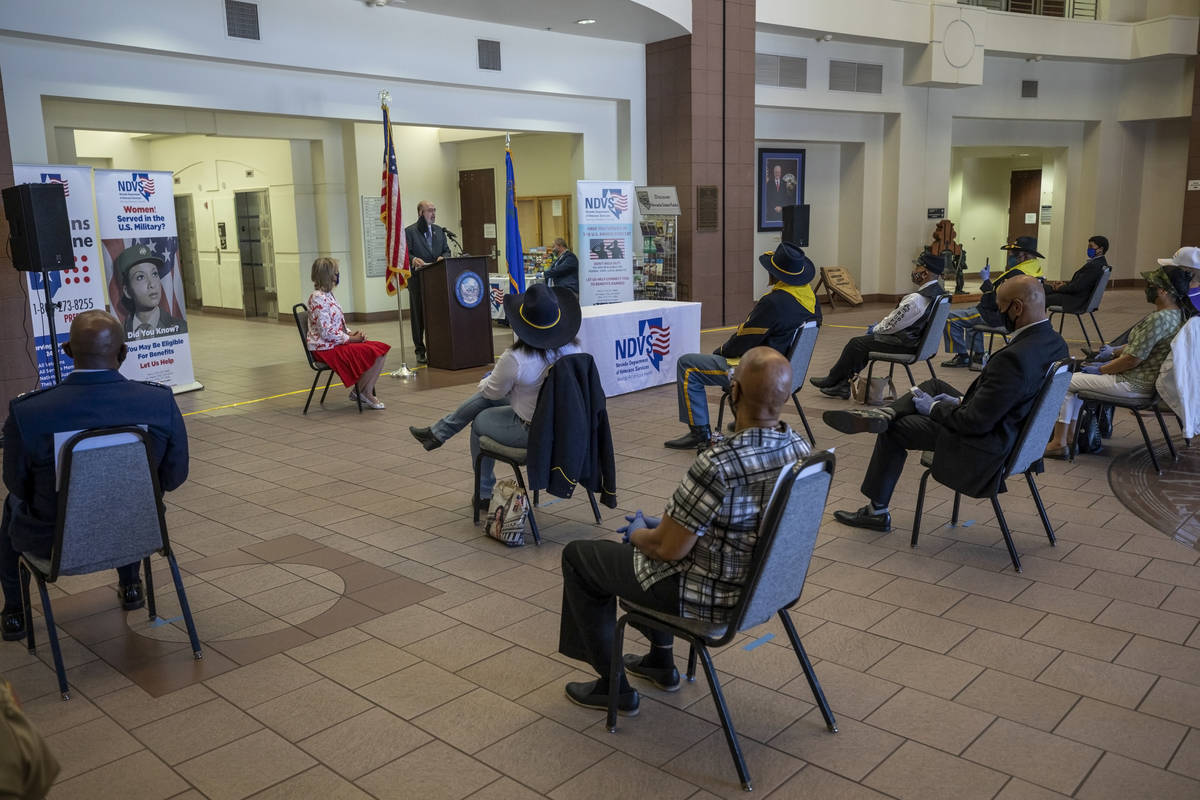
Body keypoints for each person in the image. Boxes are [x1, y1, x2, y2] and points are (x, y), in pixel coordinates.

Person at [558, 347, 810, 713]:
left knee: (580, 557)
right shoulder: (800, 450)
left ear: (734, 392)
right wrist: (661, 528)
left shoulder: (718, 463)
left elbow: (667, 550)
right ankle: (660, 662)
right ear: (785, 397)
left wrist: (639, 534)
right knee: (648, 546)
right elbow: (743, 523)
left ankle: (612, 687)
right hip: (766, 590)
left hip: (709, 597)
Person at [825, 276, 1067, 532]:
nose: (997, 313)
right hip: (1015, 434)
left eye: (1000, 307)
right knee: (934, 386)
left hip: (986, 445)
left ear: (1017, 307)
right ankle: (886, 412)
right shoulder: (1055, 343)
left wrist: (933, 409)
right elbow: (1012, 398)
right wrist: (960, 400)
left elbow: (974, 422)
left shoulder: (1014, 359)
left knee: (897, 429)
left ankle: (876, 510)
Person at [1, 311, 189, 641]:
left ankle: (15, 612)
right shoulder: (158, 402)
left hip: (54, 544)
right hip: (140, 534)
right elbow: (174, 477)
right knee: (126, 497)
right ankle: (131, 586)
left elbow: (18, 485)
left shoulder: (29, 413)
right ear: (123, 352)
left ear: (68, 352)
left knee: (10, 505)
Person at [408, 284, 581, 512]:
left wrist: (488, 378)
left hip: (534, 431)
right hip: (567, 428)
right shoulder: (574, 350)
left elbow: (491, 392)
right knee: (490, 401)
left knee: (480, 420)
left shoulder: (516, 358)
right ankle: (438, 433)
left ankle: (483, 491)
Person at [664, 242, 820, 450]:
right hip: (789, 373)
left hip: (760, 373)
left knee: (688, 365)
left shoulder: (773, 303)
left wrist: (719, 352)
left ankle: (699, 434)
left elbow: (741, 341)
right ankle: (748, 421)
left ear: (775, 275)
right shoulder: (812, 301)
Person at [1044, 265, 1194, 458]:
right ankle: (1070, 438)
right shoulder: (1178, 315)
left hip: (1132, 384)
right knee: (1075, 380)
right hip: (1147, 384)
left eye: (1152, 284)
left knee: (1066, 382)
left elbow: (1132, 360)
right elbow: (1144, 346)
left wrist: (1102, 369)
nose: (1147, 287)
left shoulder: (1158, 319)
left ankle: (1059, 443)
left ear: (1164, 290)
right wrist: (1115, 351)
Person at [809, 251, 946, 398]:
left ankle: (834, 380)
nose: (913, 271)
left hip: (907, 344)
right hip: (921, 344)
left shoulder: (917, 299)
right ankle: (841, 385)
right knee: (862, 345)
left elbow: (893, 324)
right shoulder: (940, 293)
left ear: (925, 273)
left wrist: (875, 329)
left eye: (917, 267)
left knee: (857, 344)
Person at [942, 236, 1044, 369]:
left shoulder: (1017, 275)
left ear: (1023, 256)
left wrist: (985, 281)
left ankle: (962, 356)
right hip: (1014, 317)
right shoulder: (1035, 272)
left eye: (1013, 254)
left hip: (995, 316)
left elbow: (995, 300)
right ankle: (978, 355)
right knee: (972, 320)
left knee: (949, 319)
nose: (1010, 257)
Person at [306, 257, 390, 410]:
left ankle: (363, 391)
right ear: (328, 275)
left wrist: (351, 333)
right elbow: (326, 332)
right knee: (374, 352)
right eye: (335, 273)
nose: (337, 276)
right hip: (325, 349)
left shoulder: (328, 294)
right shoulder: (317, 297)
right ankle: (364, 392)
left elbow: (337, 324)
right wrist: (351, 340)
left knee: (381, 349)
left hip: (335, 343)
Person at [404, 200, 451, 365]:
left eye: (434, 210)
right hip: (418, 280)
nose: (433, 213)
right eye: (429, 210)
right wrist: (413, 259)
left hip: (437, 281)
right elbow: (404, 254)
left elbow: (447, 250)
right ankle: (420, 350)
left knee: (437, 315)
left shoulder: (439, 231)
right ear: (420, 213)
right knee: (418, 317)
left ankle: (437, 347)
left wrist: (443, 257)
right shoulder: (410, 232)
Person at [113, 243, 187, 338]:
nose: (152, 284)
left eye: (154, 274)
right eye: (140, 277)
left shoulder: (180, 328)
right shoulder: (119, 334)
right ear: (127, 291)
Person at [1045, 235, 1109, 314]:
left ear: (1100, 249)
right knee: (1045, 290)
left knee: (1041, 298)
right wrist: (1064, 284)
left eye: (1091, 246)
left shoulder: (1094, 266)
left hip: (1076, 301)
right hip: (1078, 298)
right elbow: (1080, 283)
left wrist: (1060, 288)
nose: (1088, 249)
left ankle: (1039, 325)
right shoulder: (1100, 263)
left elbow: (1077, 287)